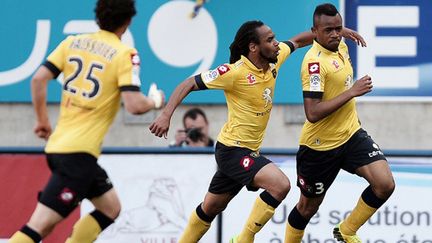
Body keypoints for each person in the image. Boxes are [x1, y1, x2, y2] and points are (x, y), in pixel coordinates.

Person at [149, 20, 364, 243]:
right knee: (280, 185)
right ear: (254, 47)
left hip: (245, 150)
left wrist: (338, 33)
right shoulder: (233, 73)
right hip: (233, 150)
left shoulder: (275, 59)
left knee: (211, 207)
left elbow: (299, 41)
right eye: (270, 40)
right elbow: (189, 83)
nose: (276, 44)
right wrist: (166, 115)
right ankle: (245, 238)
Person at [8, 0, 164, 242]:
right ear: (129, 21)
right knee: (39, 226)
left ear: (98, 17)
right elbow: (134, 105)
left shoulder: (73, 42)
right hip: (77, 156)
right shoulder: (125, 54)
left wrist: (42, 121)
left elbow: (38, 79)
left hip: (64, 148)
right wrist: (155, 101)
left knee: (110, 208)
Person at [284, 3, 395, 243]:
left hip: (351, 134)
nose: (335, 34)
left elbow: (328, 33)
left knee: (384, 184)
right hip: (319, 146)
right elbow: (312, 113)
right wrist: (352, 92)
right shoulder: (314, 64)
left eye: (338, 28)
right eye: (329, 30)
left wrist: (344, 31)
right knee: (307, 208)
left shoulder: (340, 43)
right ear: (315, 31)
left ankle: (346, 230)